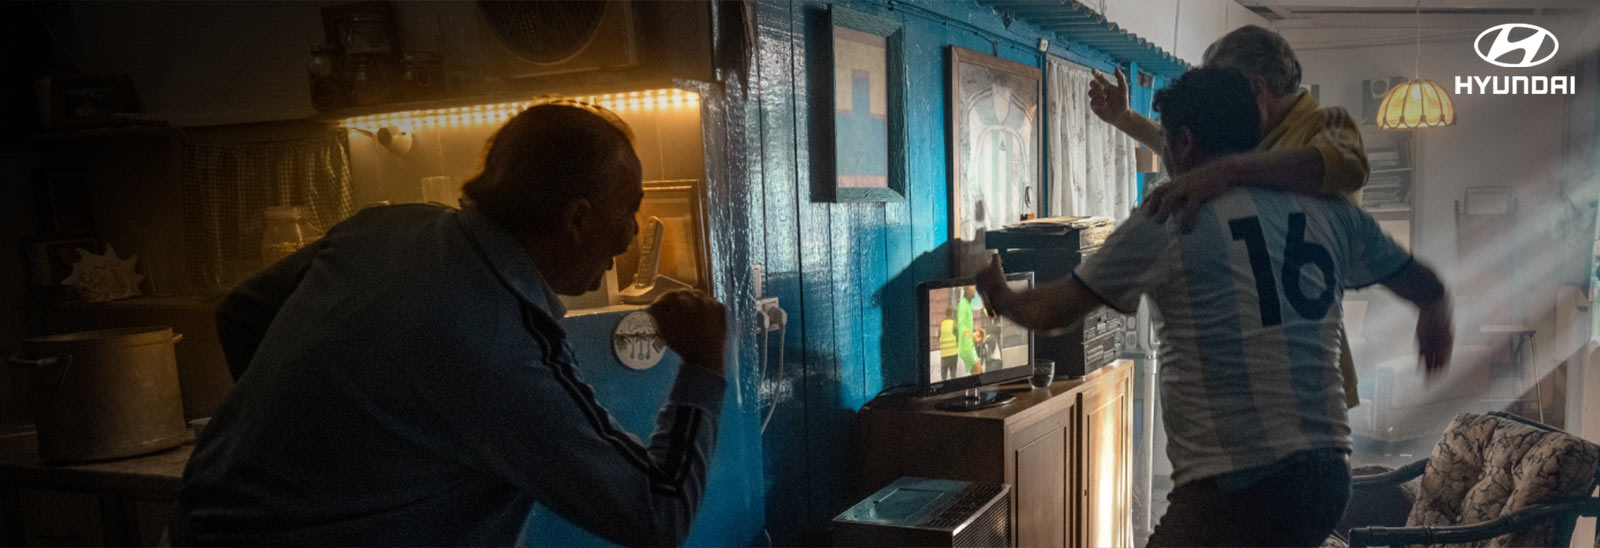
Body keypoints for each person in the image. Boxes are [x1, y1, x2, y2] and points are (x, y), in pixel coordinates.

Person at [173, 103, 729, 547]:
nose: (631, 234)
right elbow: (659, 513)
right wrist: (703, 364)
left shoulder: (384, 228)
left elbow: (241, 313)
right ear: (577, 219)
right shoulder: (505, 346)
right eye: (628, 211)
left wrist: (312, 443)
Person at [978, 67, 1453, 547]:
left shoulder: (1171, 218)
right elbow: (1428, 286)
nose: (1163, 153)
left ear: (1184, 143)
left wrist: (1000, 293)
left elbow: (1053, 311)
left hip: (1237, 489)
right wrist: (1436, 317)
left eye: (1165, 139)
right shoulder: (1328, 212)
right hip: (1326, 478)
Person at [1090, 24, 1372, 408]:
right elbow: (1196, 155)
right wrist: (1125, 118)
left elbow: (1343, 165)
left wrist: (1225, 172)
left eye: (1223, 90)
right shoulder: (1258, 138)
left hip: (1303, 372)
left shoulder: (1327, 128)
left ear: (1256, 90)